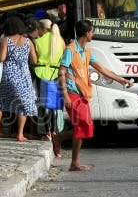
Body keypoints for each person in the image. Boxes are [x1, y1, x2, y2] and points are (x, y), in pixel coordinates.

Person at [54, 20, 132, 171]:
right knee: (84, 124)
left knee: (84, 127)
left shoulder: (87, 50)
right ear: (86, 33)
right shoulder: (70, 50)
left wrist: (120, 79)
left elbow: (101, 68)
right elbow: (61, 72)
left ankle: (62, 144)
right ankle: (72, 159)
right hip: (72, 93)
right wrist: (66, 96)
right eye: (92, 32)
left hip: (83, 93)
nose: (93, 34)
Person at [0, 16, 38, 141]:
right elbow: (34, 60)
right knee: (23, 104)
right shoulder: (28, 42)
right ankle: (20, 134)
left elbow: (1, 58)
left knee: (0, 103)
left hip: (7, 75)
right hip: (23, 77)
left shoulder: (6, 40)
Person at [33, 18, 66, 153]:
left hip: (41, 73)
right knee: (53, 106)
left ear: (42, 29)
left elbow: (35, 60)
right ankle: (54, 131)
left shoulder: (38, 41)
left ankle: (46, 132)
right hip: (56, 73)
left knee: (44, 104)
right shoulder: (61, 40)